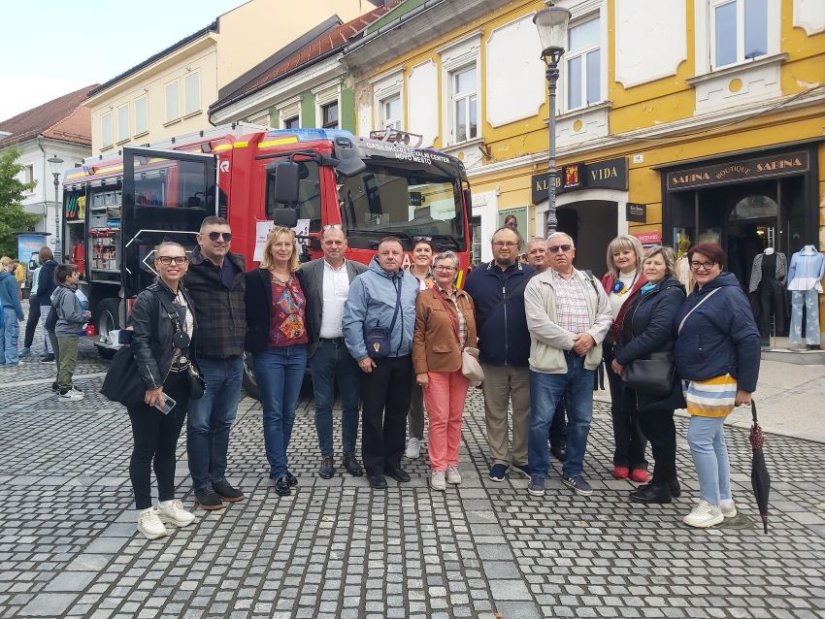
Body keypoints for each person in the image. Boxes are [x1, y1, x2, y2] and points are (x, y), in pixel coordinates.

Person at [674, 242, 760, 528]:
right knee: (714, 440)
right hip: (703, 375)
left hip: (719, 377)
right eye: (696, 263)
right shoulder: (701, 292)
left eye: (707, 263)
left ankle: (710, 504)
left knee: (698, 439)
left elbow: (749, 339)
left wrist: (746, 386)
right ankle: (724, 500)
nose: (701, 268)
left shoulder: (729, 295)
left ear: (720, 266)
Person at [524, 232, 612, 497]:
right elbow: (537, 324)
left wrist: (592, 337)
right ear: (547, 255)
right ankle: (538, 472)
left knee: (582, 420)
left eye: (565, 247)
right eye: (554, 249)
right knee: (541, 420)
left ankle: (573, 471)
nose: (559, 252)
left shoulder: (591, 281)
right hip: (550, 362)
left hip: (585, 361)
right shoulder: (537, 284)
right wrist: (572, 341)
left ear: (573, 251)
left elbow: (605, 315)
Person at [127, 241, 198, 540]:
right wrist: (152, 384)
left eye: (179, 259)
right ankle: (144, 511)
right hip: (154, 385)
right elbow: (140, 343)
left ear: (186, 264)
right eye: (166, 259)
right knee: (145, 448)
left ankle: (167, 502)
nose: (173, 264)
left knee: (168, 446)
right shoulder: (148, 298)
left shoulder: (184, 294)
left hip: (179, 382)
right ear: (156, 264)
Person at [611, 246, 686, 504]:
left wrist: (622, 357)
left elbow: (657, 332)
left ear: (668, 267)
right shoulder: (650, 290)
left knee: (659, 429)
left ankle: (661, 486)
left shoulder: (671, 293)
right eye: (648, 263)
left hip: (656, 369)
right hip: (642, 368)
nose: (651, 267)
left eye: (657, 263)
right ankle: (670, 479)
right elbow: (629, 324)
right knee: (654, 427)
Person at [343, 237, 418, 490]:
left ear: (402, 256)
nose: (390, 257)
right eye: (385, 252)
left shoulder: (411, 282)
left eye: (395, 253)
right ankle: (374, 467)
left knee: (398, 413)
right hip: (375, 361)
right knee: (374, 415)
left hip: (404, 358)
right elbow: (352, 320)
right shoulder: (363, 282)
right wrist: (361, 355)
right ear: (377, 255)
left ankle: (392, 462)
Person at [463, 226, 535, 482]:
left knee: (523, 411)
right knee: (495, 411)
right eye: (499, 243)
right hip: (491, 358)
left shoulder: (531, 275)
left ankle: (522, 457)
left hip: (525, 357)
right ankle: (500, 458)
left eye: (509, 243)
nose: (504, 247)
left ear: (518, 248)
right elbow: (468, 313)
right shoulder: (476, 277)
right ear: (492, 246)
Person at [185, 216, 246, 510]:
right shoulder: (188, 270)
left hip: (234, 360)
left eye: (226, 235)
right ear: (200, 239)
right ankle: (201, 485)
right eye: (214, 236)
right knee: (199, 425)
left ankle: (218, 478)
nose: (221, 240)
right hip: (204, 361)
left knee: (223, 423)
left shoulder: (238, 266)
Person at [297, 225, 366, 480]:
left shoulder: (360, 271)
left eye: (338, 242)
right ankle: (327, 455)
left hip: (350, 348)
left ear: (346, 244)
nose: (334, 246)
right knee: (323, 403)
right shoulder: (306, 271)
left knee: (351, 403)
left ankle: (349, 453)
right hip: (321, 348)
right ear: (322, 245)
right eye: (329, 242)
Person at [246, 227, 309, 496]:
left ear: (294, 249)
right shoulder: (257, 278)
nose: (283, 249)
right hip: (269, 353)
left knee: (289, 411)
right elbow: (248, 314)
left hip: (298, 352)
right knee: (273, 411)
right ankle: (279, 470)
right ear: (269, 248)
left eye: (288, 245)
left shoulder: (300, 276)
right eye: (278, 244)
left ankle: (279, 465)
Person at [412, 251, 478, 490]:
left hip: (461, 367)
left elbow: (472, 331)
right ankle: (438, 467)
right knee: (439, 419)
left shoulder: (465, 297)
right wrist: (421, 369)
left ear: (456, 271)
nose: (444, 271)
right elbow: (418, 336)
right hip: (436, 367)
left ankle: (453, 463)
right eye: (440, 267)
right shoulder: (425, 298)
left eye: (449, 267)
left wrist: (473, 356)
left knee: (455, 418)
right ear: (433, 269)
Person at [600, 234, 649, 482]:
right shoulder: (608, 280)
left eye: (626, 252)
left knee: (638, 405)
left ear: (636, 253)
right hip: (613, 348)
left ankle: (639, 459)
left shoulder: (648, 280)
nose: (621, 257)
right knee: (619, 405)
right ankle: (621, 458)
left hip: (639, 349)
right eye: (617, 253)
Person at [526, 237, 568, 462]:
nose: (538, 254)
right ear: (526, 256)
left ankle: (559, 441)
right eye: (533, 252)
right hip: (527, 347)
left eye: (543, 250)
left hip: (554, 347)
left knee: (557, 401)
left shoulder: (559, 278)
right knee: (534, 404)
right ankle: (533, 446)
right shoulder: (523, 276)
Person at [404, 237, 435, 459]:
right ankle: (415, 436)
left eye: (427, 250)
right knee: (414, 394)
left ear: (432, 255)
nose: (423, 253)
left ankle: (437, 436)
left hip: (435, 345)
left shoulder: (441, 277)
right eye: (419, 250)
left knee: (437, 395)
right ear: (412, 255)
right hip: (410, 342)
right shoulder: (403, 278)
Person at [51, 264, 92, 400]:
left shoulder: (61, 291)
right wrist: (85, 315)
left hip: (65, 331)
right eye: (74, 274)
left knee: (66, 360)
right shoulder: (68, 294)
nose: (78, 275)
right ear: (67, 278)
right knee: (68, 361)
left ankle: (67, 385)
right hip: (68, 331)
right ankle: (64, 390)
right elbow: (70, 315)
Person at [0, 257, 25, 366]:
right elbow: (15, 299)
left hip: (0, 309)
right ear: (9, 265)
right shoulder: (10, 279)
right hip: (9, 310)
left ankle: (1, 359)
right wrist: (20, 314)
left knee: (1, 336)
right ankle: (12, 359)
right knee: (11, 334)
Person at [35, 247, 58, 363]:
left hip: (46, 301)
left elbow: (42, 286)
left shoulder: (45, 268)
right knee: (55, 326)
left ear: (42, 257)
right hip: (56, 300)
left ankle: (51, 352)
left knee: (47, 327)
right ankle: (56, 350)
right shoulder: (57, 266)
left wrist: (37, 294)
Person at [20, 257, 42, 359]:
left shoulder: (37, 270)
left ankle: (26, 347)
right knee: (48, 323)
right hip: (42, 296)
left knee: (31, 322)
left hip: (34, 295)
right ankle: (48, 348)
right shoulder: (50, 269)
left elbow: (32, 284)